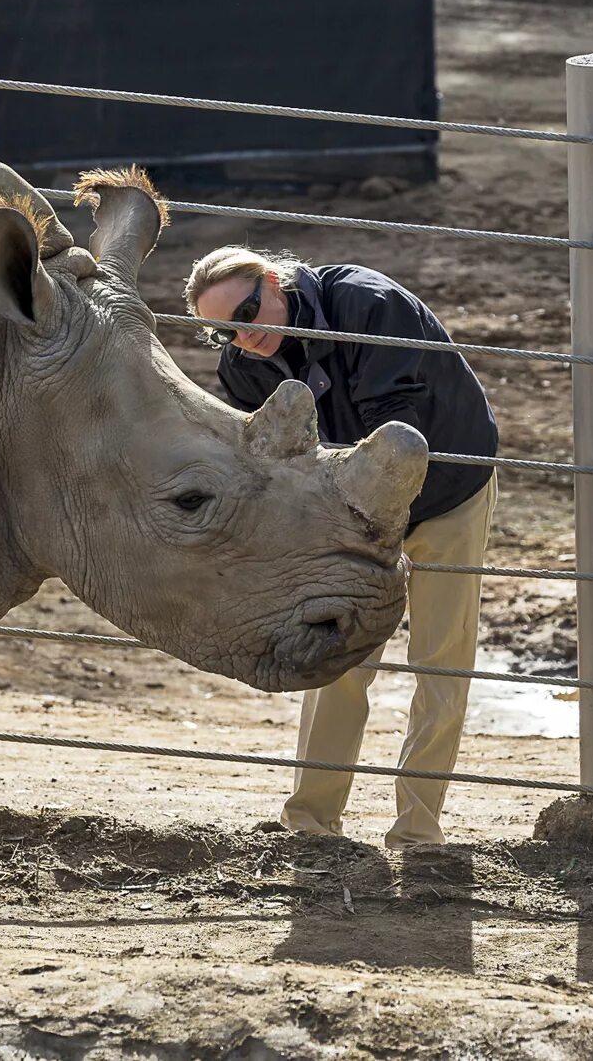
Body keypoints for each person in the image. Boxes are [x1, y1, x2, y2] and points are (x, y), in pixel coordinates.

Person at [185, 245, 499, 848]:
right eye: (223, 330)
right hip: (351, 507)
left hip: (447, 488)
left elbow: (398, 434)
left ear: (276, 282)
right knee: (338, 657)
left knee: (440, 661)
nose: (245, 337)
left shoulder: (368, 303)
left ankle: (417, 829)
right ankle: (310, 822)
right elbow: (266, 463)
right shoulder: (245, 366)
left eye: (250, 312)